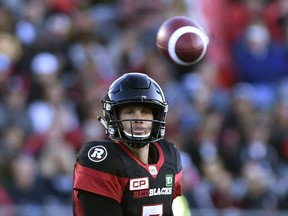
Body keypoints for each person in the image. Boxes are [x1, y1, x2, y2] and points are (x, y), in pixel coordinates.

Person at [73, 72, 183, 216]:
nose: (138, 119)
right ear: (114, 116)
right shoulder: (102, 161)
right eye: (129, 112)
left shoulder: (170, 156)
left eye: (145, 112)